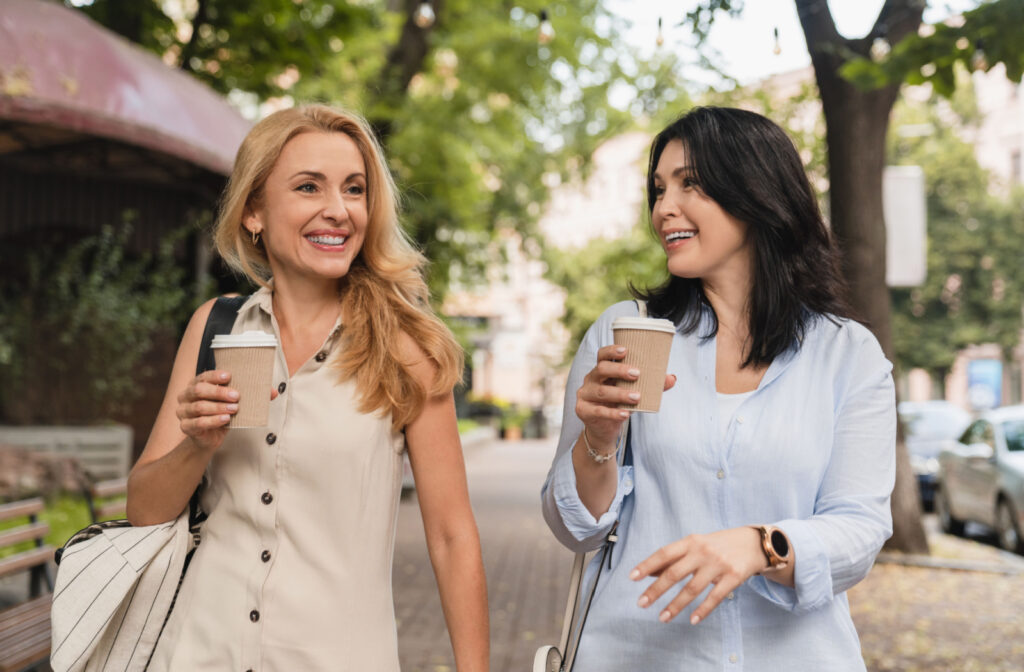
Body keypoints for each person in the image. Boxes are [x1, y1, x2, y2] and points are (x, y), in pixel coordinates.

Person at [128, 105, 489, 671]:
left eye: (354, 189)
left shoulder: (405, 348)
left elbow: (451, 535)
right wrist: (197, 443)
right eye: (308, 187)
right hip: (199, 653)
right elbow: (144, 510)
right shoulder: (216, 327)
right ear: (254, 210)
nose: (338, 210)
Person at [541, 106, 895, 671]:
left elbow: (860, 529)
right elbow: (574, 528)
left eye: (691, 184)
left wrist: (760, 545)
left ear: (757, 194)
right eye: (658, 189)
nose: (664, 209)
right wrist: (598, 438)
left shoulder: (846, 355)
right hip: (638, 655)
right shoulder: (627, 334)